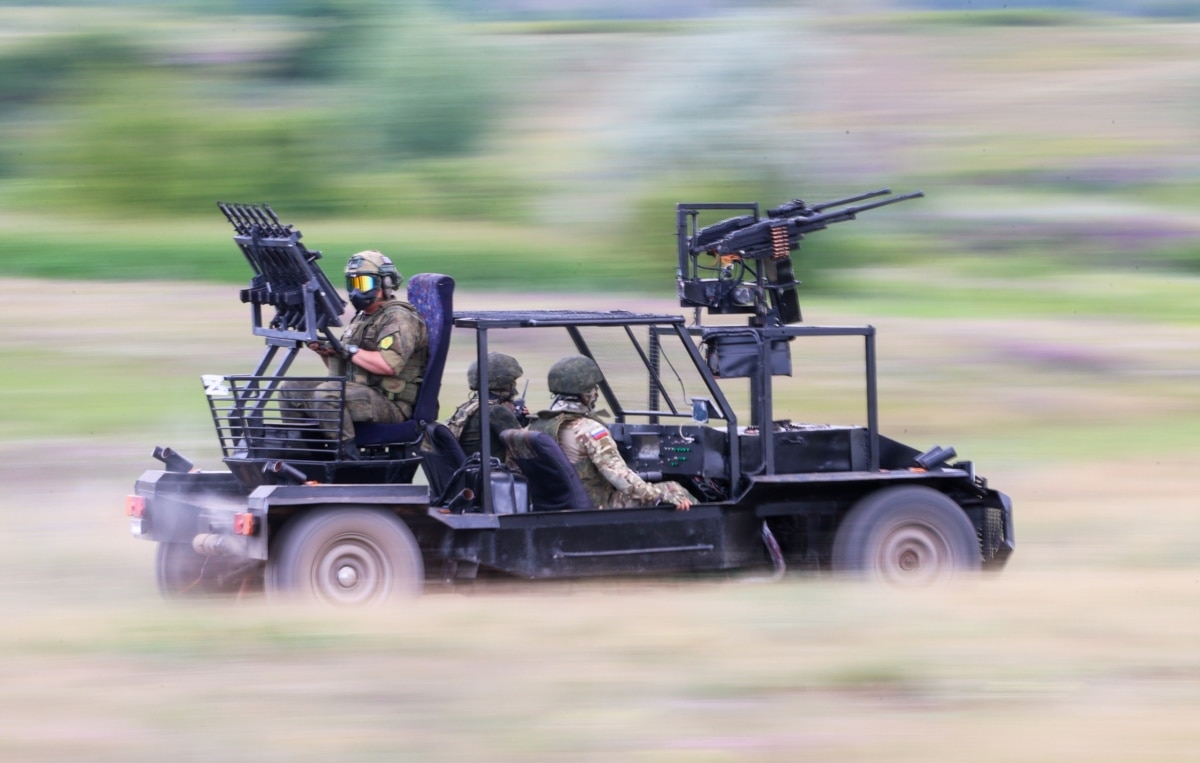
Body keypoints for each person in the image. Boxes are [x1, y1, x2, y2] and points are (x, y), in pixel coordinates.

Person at [286, 250, 428, 460]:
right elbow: (349, 368)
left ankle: (347, 459)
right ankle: (305, 458)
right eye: (352, 283)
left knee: (329, 394)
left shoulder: (399, 318)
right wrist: (328, 352)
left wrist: (348, 350)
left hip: (392, 404)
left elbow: (388, 366)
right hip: (363, 394)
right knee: (291, 390)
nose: (356, 291)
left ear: (385, 284)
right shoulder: (363, 318)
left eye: (363, 283)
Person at [529, 355, 695, 511]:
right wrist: (662, 496)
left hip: (556, 506)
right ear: (586, 395)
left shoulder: (538, 426)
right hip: (599, 506)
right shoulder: (589, 430)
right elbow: (622, 479)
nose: (595, 393)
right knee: (673, 488)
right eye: (593, 389)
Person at [445, 352, 528, 462]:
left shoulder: (468, 407)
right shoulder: (496, 411)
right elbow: (524, 449)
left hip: (470, 471)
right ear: (504, 381)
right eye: (513, 381)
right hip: (491, 474)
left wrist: (519, 420)